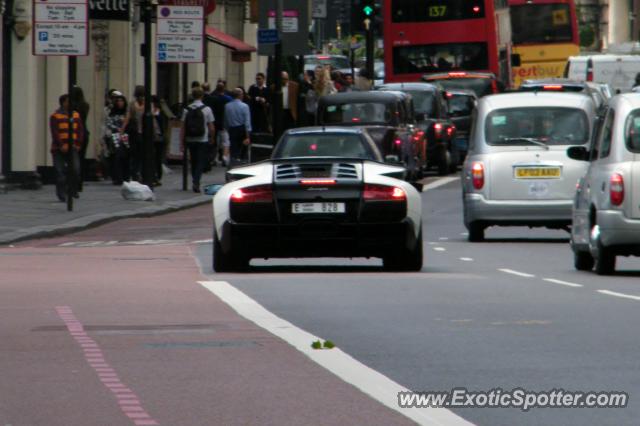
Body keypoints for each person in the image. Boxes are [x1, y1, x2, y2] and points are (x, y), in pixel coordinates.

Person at [50, 94, 84, 202]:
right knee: (60, 171)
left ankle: (72, 189)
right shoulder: (55, 116)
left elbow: (80, 130)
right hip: (58, 148)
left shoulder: (75, 115)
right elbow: (54, 132)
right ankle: (61, 193)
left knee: (75, 169)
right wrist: (61, 145)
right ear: (63, 103)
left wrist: (78, 143)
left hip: (73, 147)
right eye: (68, 102)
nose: (70, 104)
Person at [181, 87, 215, 193]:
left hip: (190, 138)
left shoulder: (186, 109)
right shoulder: (207, 109)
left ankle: (194, 179)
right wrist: (212, 137)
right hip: (202, 138)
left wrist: (182, 141)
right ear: (202, 96)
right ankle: (196, 181)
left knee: (193, 161)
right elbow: (211, 127)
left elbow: (183, 127)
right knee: (200, 161)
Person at [104, 93, 130, 185]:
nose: (120, 103)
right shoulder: (112, 113)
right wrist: (117, 128)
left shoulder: (127, 113)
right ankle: (117, 177)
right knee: (116, 156)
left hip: (126, 136)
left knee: (126, 156)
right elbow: (109, 123)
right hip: (115, 136)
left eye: (121, 101)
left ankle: (126, 176)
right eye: (118, 101)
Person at [205, 81, 233, 167]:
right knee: (225, 142)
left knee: (215, 142)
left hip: (215, 122)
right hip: (224, 123)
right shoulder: (228, 99)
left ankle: (214, 158)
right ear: (224, 89)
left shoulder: (213, 98)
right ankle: (224, 157)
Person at [224, 88, 252, 167]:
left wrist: (227, 129)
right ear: (240, 95)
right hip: (242, 130)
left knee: (233, 150)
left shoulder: (227, 106)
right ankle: (243, 165)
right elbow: (247, 123)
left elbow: (225, 120)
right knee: (243, 151)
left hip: (232, 129)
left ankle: (233, 165)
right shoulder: (245, 106)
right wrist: (248, 136)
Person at [123, 85, 145, 181]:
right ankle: (140, 172)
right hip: (144, 133)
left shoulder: (132, 104)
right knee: (142, 154)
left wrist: (122, 131)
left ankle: (134, 173)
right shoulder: (147, 104)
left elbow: (127, 118)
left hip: (134, 133)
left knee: (134, 154)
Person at [69, 86, 90, 190]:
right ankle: (79, 183)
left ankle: (73, 182)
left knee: (72, 159)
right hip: (84, 133)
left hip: (74, 132)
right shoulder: (85, 105)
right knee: (81, 158)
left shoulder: (72, 107)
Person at [151, 95, 167, 185]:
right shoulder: (150, 111)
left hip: (159, 137)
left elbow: (162, 125)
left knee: (158, 157)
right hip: (152, 138)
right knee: (153, 157)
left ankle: (158, 176)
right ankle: (154, 176)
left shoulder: (160, 112)